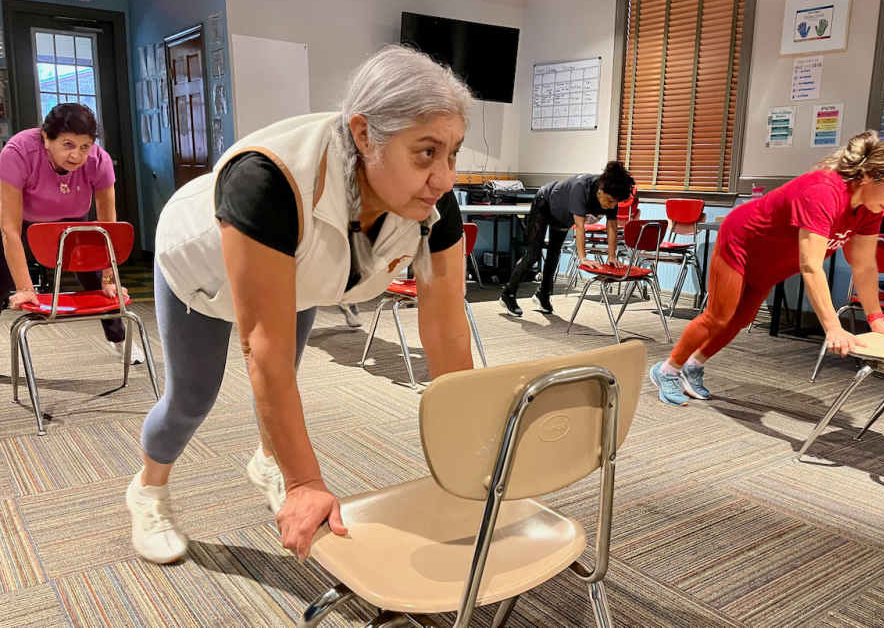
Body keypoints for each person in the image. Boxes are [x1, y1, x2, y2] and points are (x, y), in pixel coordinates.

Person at [125, 46, 475, 564]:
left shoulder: (431, 201)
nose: (445, 177)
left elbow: (445, 327)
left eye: (454, 153)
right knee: (192, 399)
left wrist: (468, 445)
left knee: (284, 379)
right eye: (426, 153)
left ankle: (268, 457)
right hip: (203, 271)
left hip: (303, 268)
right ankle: (149, 492)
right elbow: (259, 347)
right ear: (363, 134)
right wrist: (305, 483)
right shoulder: (268, 180)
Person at [650, 130, 884, 405]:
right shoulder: (824, 191)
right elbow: (811, 265)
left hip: (773, 261)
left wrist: (876, 320)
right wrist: (833, 327)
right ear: (868, 176)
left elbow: (864, 266)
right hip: (742, 243)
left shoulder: (870, 208)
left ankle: (693, 366)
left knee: (742, 318)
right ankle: (667, 370)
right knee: (719, 317)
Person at [0, 103, 144, 364]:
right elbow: (9, 227)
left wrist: (109, 279)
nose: (76, 156)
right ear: (46, 138)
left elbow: (106, 225)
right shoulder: (18, 152)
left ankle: (119, 340)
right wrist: (24, 288)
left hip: (73, 220)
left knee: (101, 284)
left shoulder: (99, 161)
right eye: (67, 145)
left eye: (84, 146)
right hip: (20, 219)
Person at [499, 161, 635, 316]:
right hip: (544, 203)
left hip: (562, 217)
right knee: (533, 255)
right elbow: (580, 227)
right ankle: (508, 294)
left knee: (554, 254)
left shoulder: (611, 194)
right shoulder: (581, 187)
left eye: (615, 203)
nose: (611, 206)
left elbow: (612, 227)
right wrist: (583, 258)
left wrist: (611, 256)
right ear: (600, 189)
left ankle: (543, 294)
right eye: (610, 201)